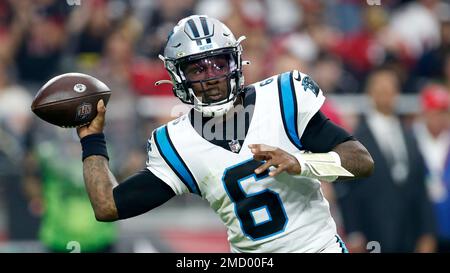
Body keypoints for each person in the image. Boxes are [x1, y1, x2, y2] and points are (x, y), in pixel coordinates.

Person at [76, 15, 373, 253]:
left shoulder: (283, 99)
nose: (211, 77)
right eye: (197, 69)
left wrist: (301, 164)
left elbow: (361, 161)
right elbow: (108, 206)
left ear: (236, 62)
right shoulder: (177, 143)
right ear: (178, 76)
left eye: (219, 63)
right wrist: (91, 140)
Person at [335, 68, 436, 253]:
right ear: (369, 93)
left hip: (410, 236)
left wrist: (427, 233)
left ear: (397, 92)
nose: (385, 92)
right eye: (380, 88)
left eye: (390, 88)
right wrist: (354, 234)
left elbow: (420, 187)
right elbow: (349, 191)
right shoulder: (354, 141)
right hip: (372, 234)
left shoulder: (410, 137)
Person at [413, 84, 450, 252]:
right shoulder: (411, 140)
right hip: (420, 225)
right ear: (425, 113)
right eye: (434, 112)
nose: (439, 118)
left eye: (443, 112)